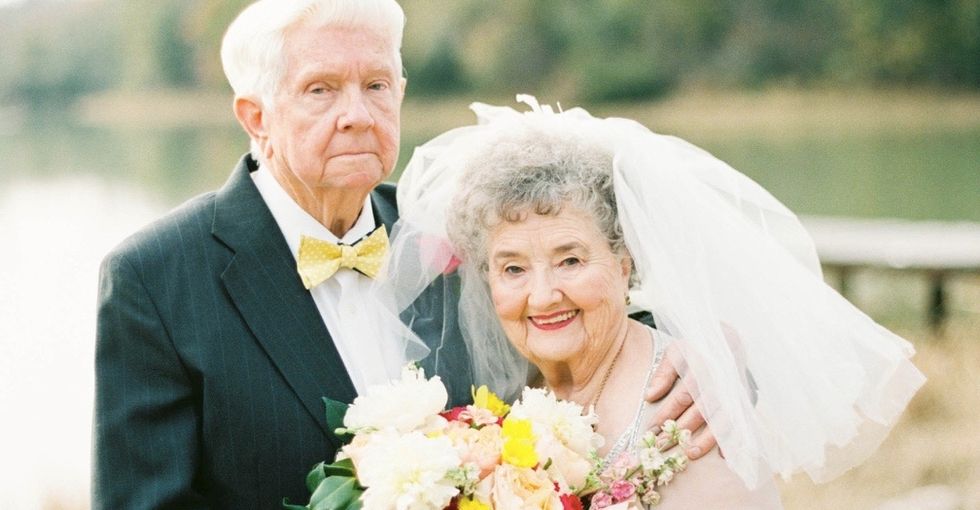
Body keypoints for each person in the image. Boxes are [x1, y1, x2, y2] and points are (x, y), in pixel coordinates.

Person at [92, 2, 707, 509]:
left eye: (376, 85)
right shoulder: (153, 279)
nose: (357, 115)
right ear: (256, 117)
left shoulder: (454, 233)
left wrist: (696, 352)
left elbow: (568, 304)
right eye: (321, 90)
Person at [380, 97, 926, 508]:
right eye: (513, 268)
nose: (542, 295)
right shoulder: (501, 395)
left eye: (571, 260)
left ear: (624, 263)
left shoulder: (686, 411)